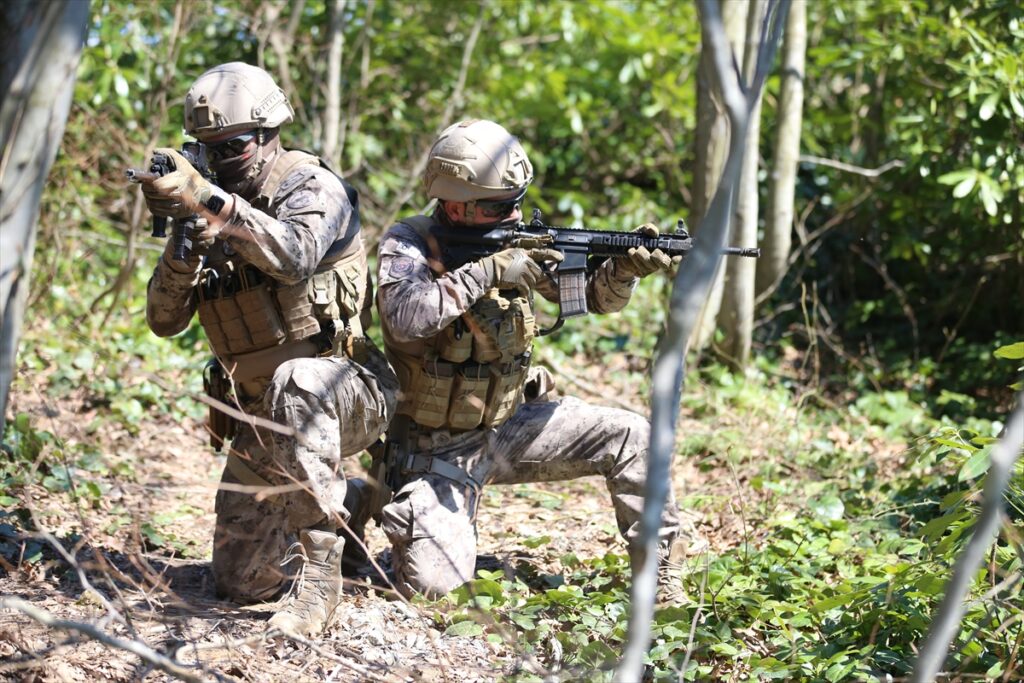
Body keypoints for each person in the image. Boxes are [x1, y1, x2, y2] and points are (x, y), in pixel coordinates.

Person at [375, 118, 682, 598]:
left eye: (517, 201)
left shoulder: (515, 240)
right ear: (455, 204)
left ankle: (660, 578)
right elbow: (403, 318)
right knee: (437, 591)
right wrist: (487, 271)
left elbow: (588, 298)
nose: (515, 215)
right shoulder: (410, 242)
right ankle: (362, 500)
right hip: (434, 446)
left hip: (510, 425)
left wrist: (623, 270)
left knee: (633, 436)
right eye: (500, 206)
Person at [140, 62, 397, 636]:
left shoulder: (311, 185)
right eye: (206, 150)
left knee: (298, 382)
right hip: (261, 414)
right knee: (241, 581)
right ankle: (352, 499)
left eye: (231, 146)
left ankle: (320, 576)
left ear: (270, 132)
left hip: (345, 387)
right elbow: (163, 322)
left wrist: (217, 208)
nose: (219, 159)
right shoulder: (204, 204)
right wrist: (184, 253)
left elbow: (295, 256)